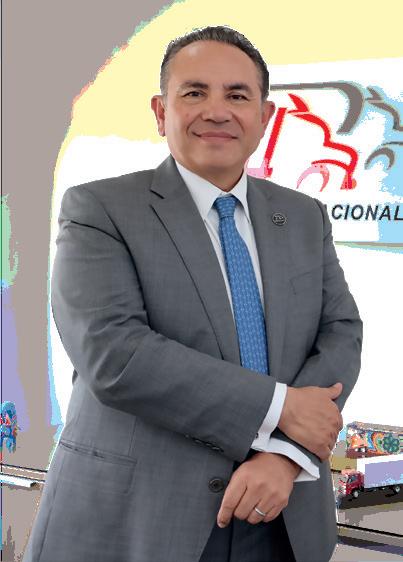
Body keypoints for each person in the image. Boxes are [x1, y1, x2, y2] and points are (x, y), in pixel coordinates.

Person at [23, 26, 363, 562]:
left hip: (280, 518)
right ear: (161, 112)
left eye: (237, 95)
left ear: (264, 117)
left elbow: (340, 333)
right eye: (195, 92)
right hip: (139, 521)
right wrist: (281, 408)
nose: (216, 111)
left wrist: (285, 454)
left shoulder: (303, 216)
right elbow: (114, 354)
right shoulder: (100, 210)